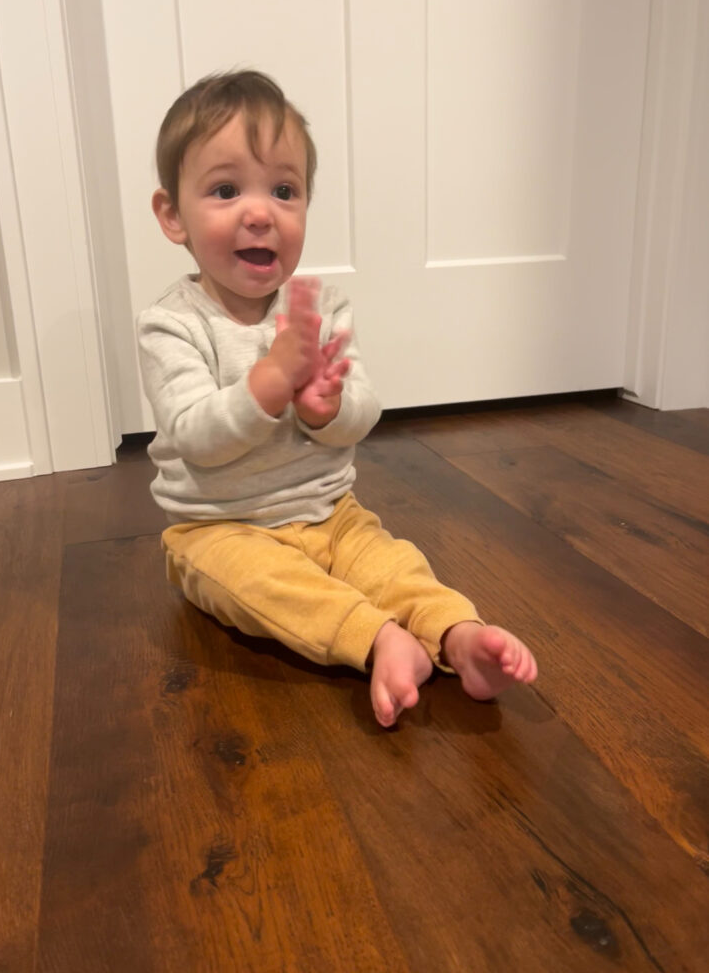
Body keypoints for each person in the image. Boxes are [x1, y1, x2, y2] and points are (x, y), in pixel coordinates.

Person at [138, 69, 537, 727]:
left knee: (393, 562)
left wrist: (326, 411)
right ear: (173, 215)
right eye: (226, 189)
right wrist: (268, 383)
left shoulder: (320, 307)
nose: (260, 211)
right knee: (266, 588)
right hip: (220, 525)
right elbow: (194, 437)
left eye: (285, 190)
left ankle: (460, 636)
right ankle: (379, 641)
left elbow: (362, 411)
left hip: (329, 512)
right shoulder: (172, 325)